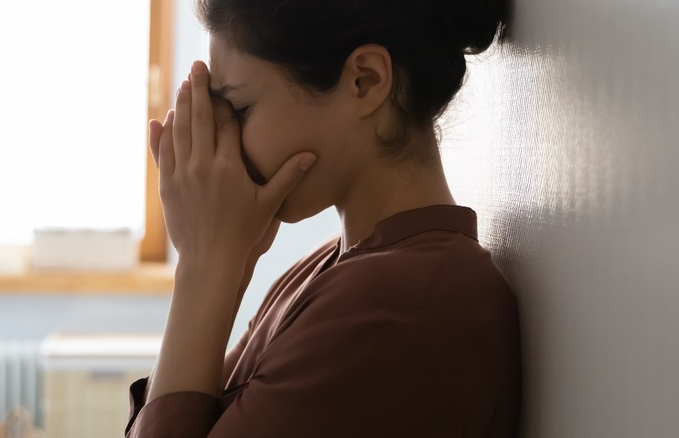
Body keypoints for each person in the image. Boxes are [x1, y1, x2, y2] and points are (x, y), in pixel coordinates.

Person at [126, 0, 521, 436]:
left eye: (239, 109)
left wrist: (204, 266)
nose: (224, 145)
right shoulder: (327, 270)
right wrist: (223, 265)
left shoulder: (397, 304)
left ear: (365, 81)